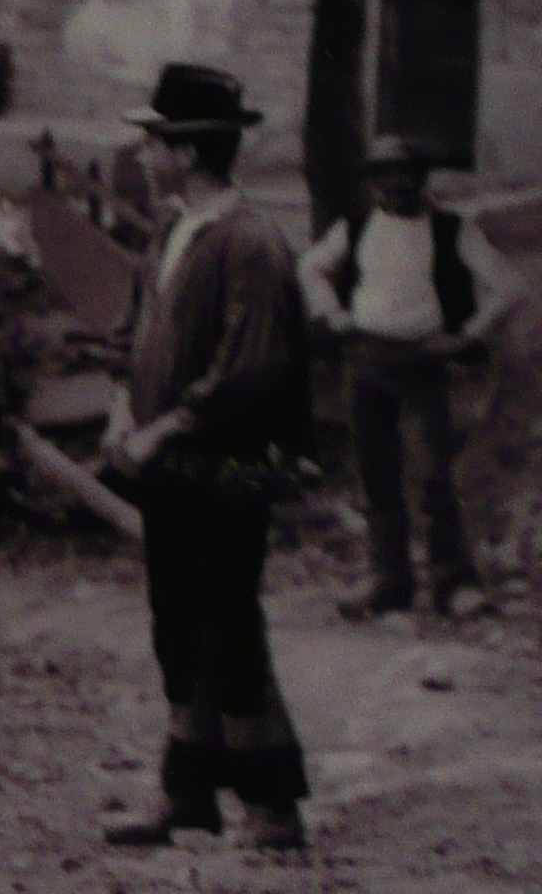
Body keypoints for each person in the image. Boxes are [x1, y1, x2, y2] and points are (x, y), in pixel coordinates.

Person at [99, 63, 315, 855]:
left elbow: (252, 367)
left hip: (224, 472)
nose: (145, 155)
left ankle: (274, 807)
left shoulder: (252, 244)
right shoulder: (172, 232)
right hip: (170, 470)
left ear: (185, 153)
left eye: (153, 141)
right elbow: (141, 330)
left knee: (227, 628)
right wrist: (127, 407)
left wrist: (171, 427)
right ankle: (186, 793)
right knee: (178, 626)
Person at [299, 136, 528, 621]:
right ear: (373, 182)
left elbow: (510, 285)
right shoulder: (355, 228)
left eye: (406, 174)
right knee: (376, 475)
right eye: (385, 175)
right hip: (367, 361)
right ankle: (389, 581)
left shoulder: (451, 230)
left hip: (425, 365)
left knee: (432, 475)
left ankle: (455, 584)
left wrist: (467, 335)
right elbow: (310, 268)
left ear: (422, 178)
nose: (396, 184)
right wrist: (332, 314)